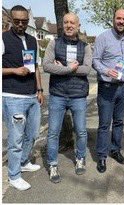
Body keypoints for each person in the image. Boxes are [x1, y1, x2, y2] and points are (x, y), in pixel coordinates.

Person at [43, 12, 92, 183]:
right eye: (66, 22)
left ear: (78, 25)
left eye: (72, 22)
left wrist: (62, 66)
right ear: (62, 25)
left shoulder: (85, 46)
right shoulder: (53, 43)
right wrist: (68, 68)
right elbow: (46, 66)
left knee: (80, 131)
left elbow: (87, 69)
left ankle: (80, 158)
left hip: (78, 95)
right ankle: (52, 164)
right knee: (53, 133)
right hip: (58, 94)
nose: (69, 25)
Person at [2, 5, 44, 191]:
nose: (21, 24)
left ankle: (23, 161)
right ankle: (13, 175)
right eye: (17, 21)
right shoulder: (3, 39)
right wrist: (14, 71)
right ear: (11, 20)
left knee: (33, 133)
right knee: (16, 138)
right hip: (13, 96)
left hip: (32, 95)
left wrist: (40, 89)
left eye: (24, 21)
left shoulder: (32, 40)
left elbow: (35, 66)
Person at [92, 8, 124, 173]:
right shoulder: (103, 37)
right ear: (113, 19)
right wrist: (105, 71)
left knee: (119, 121)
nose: (121, 22)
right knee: (104, 124)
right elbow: (95, 60)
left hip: (123, 87)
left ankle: (115, 150)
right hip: (107, 87)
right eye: (119, 18)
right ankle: (102, 157)